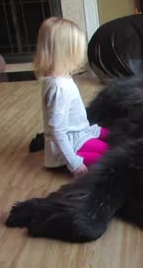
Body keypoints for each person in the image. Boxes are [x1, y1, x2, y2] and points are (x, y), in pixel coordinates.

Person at [34, 17, 109, 178]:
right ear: (67, 53)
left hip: (80, 132)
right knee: (110, 159)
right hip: (70, 145)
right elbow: (57, 131)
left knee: (116, 137)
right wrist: (75, 164)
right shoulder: (58, 87)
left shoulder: (60, 77)